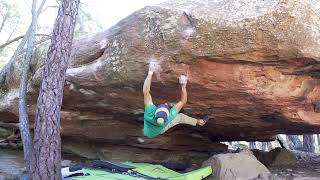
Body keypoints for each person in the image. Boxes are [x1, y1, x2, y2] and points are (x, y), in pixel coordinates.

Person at [143, 62, 209, 138]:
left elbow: (146, 91)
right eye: (166, 106)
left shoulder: (150, 112)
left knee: (180, 117)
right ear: (168, 115)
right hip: (160, 130)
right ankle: (199, 122)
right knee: (180, 117)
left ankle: (198, 122)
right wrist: (183, 85)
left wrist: (150, 72)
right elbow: (183, 101)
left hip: (148, 130)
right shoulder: (169, 117)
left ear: (156, 110)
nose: (165, 103)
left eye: (164, 105)